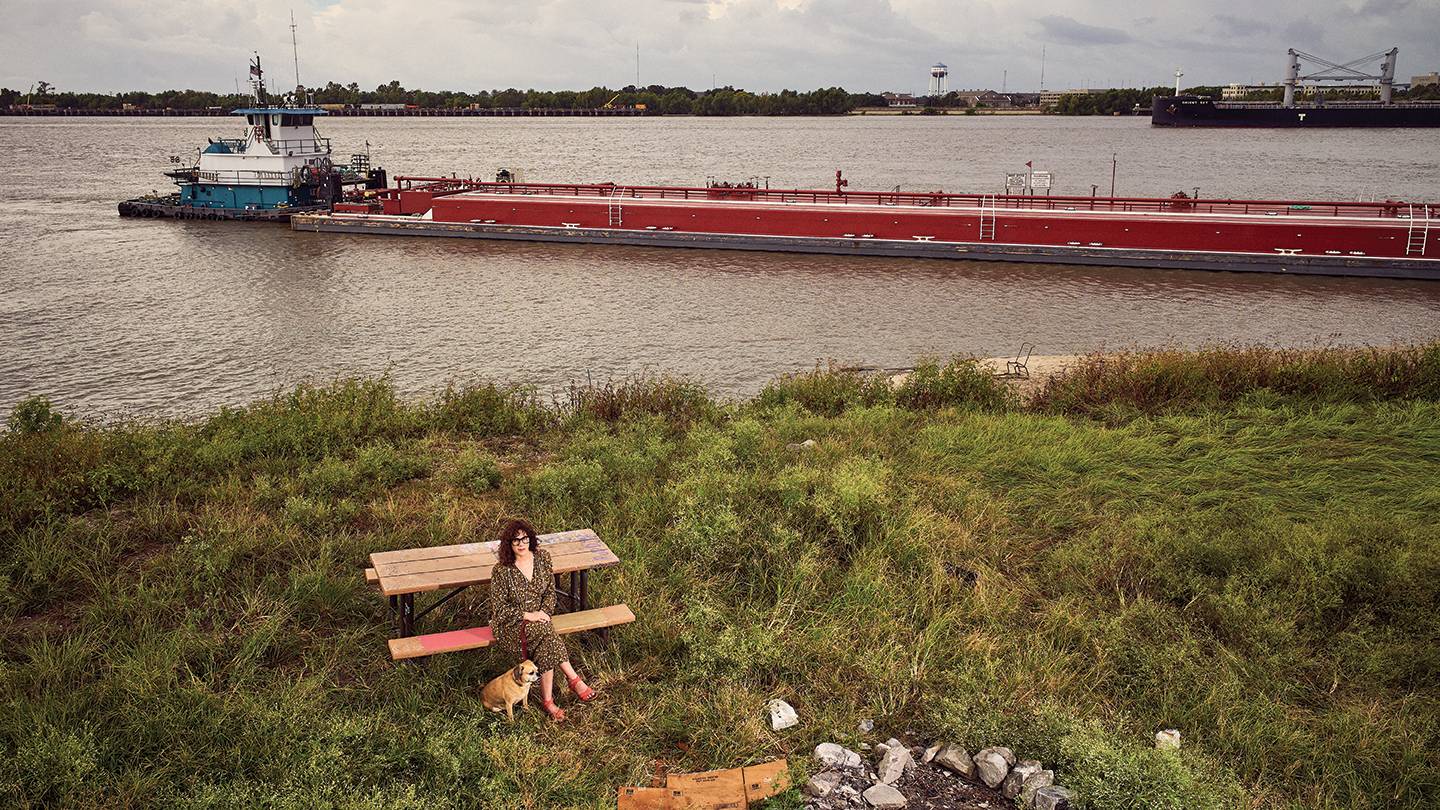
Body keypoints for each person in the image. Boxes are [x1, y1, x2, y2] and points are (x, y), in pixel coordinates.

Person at [488, 518, 596, 722]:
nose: (521, 544)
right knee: (546, 634)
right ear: (508, 544)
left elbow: (550, 593)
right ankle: (573, 680)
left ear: (531, 539)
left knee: (545, 639)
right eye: (515, 540)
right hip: (511, 626)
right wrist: (529, 615)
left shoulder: (543, 558)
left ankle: (549, 701)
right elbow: (500, 610)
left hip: (540, 622)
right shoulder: (502, 570)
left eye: (525, 539)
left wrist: (544, 613)